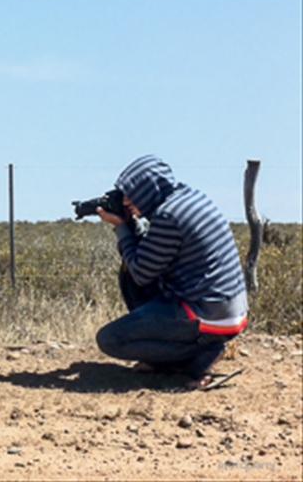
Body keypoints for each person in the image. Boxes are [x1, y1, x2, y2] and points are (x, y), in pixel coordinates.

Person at [95, 154, 248, 390]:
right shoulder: (190, 199)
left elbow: (141, 272)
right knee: (133, 278)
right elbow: (153, 255)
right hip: (230, 311)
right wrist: (132, 222)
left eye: (130, 194)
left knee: (109, 340)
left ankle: (200, 355)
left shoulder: (168, 216)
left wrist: (121, 228)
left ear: (149, 190)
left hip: (208, 314)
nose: (125, 201)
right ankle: (178, 354)